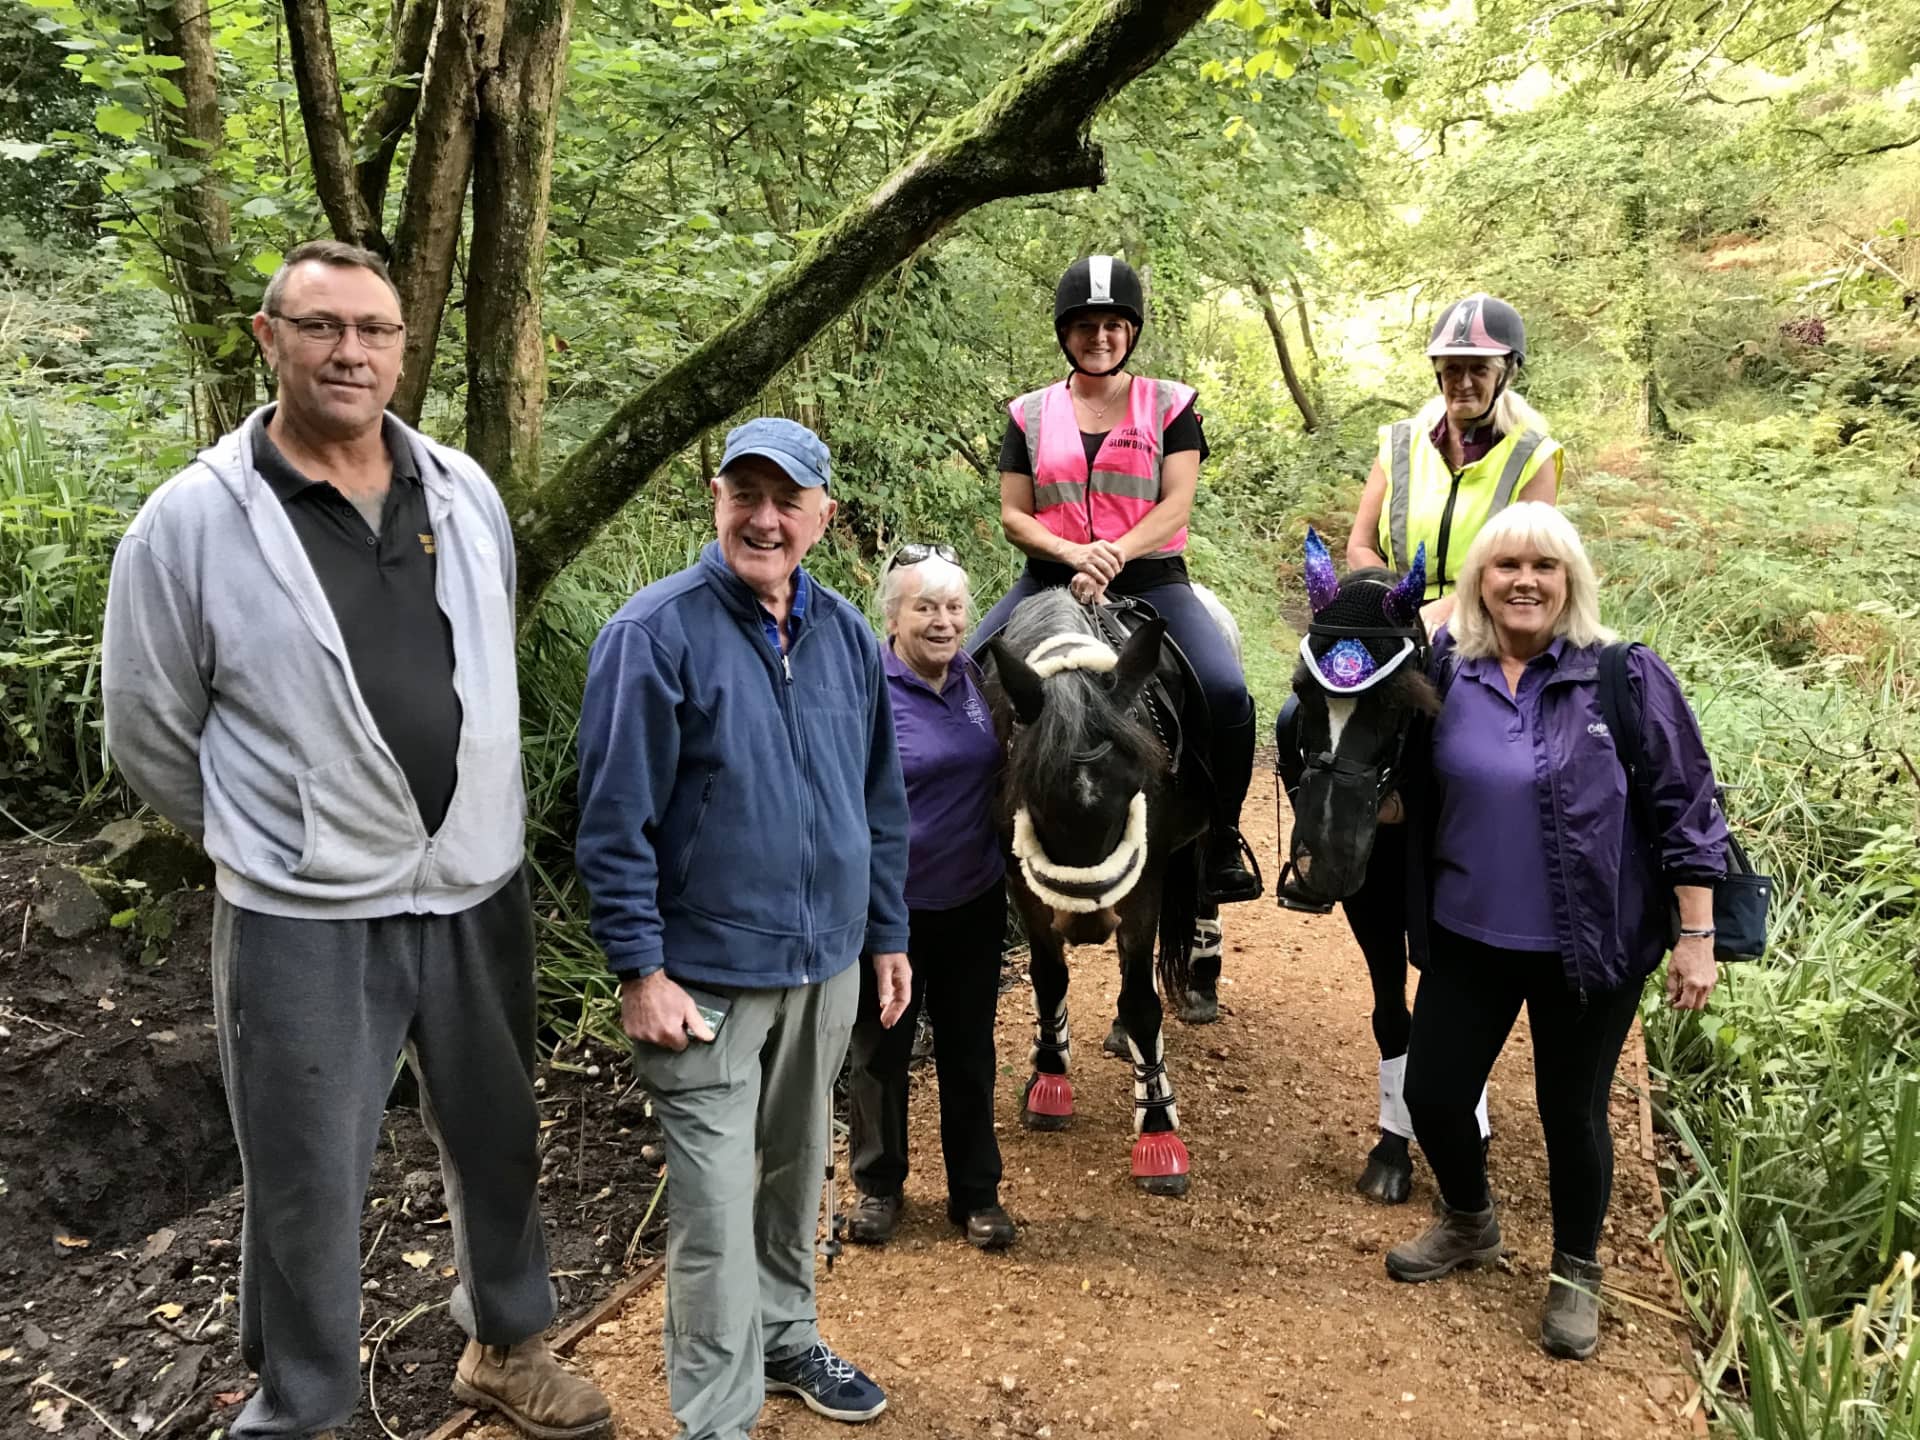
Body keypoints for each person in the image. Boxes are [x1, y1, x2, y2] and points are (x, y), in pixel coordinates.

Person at [102, 239, 611, 1440]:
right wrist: (277, 830)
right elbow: (149, 730)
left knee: (498, 1131)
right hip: (305, 913)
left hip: (473, 886)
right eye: (323, 326)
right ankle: (302, 1408)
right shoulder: (192, 526)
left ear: (401, 348)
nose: (352, 351)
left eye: (374, 330)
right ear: (270, 340)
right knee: (305, 1172)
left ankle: (508, 1341)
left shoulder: (462, 491)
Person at [575, 418, 912, 1439]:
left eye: (786, 499)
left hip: (826, 965)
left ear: (823, 515)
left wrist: (886, 933)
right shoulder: (655, 633)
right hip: (703, 979)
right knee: (716, 1210)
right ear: (715, 499)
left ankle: (786, 1335)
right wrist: (639, 968)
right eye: (743, 495)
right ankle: (716, 1418)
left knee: (796, 1169)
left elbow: (879, 800)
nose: (764, 518)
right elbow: (610, 820)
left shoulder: (850, 634)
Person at [1384, 502, 1726, 1362]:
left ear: (1569, 579)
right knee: (1431, 1093)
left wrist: (1697, 934)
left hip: (1591, 944)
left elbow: (1687, 804)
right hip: (1469, 934)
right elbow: (1395, 777)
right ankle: (1470, 1221)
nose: (1525, 581)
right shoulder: (1444, 673)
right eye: (1506, 567)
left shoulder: (1624, 675)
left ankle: (1576, 1272)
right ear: (1479, 582)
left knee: (1571, 1113)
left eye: (1544, 566)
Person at [1277, 292, 1564, 1201]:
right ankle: (1319, 853)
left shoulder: (1533, 452)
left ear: (1504, 373)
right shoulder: (1401, 443)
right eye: (1451, 367)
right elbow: (1363, 537)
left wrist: (1452, 610)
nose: (1464, 380)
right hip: (1397, 626)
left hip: (1486, 631)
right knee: (1297, 722)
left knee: (1502, 767)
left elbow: (1537, 549)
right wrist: (1373, 599)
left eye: (1478, 368)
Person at [971, 254, 1260, 905]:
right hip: (1047, 581)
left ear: (1130, 331)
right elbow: (1015, 513)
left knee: (1227, 692)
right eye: (1084, 326)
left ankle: (1222, 839)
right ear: (1064, 333)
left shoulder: (1170, 403)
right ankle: (971, 837)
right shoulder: (1028, 414)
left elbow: (1176, 504)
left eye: (1112, 325)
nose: (1099, 337)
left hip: (1153, 580)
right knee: (960, 679)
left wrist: (1113, 552)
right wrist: (1074, 555)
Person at [843, 545, 1014, 1253]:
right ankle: (878, 1187)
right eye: (925, 608)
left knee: (969, 1050)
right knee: (881, 1051)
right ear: (893, 615)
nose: (942, 622)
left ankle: (976, 1195)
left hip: (973, 900)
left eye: (953, 608)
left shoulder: (977, 679)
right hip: (891, 910)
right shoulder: (866, 687)